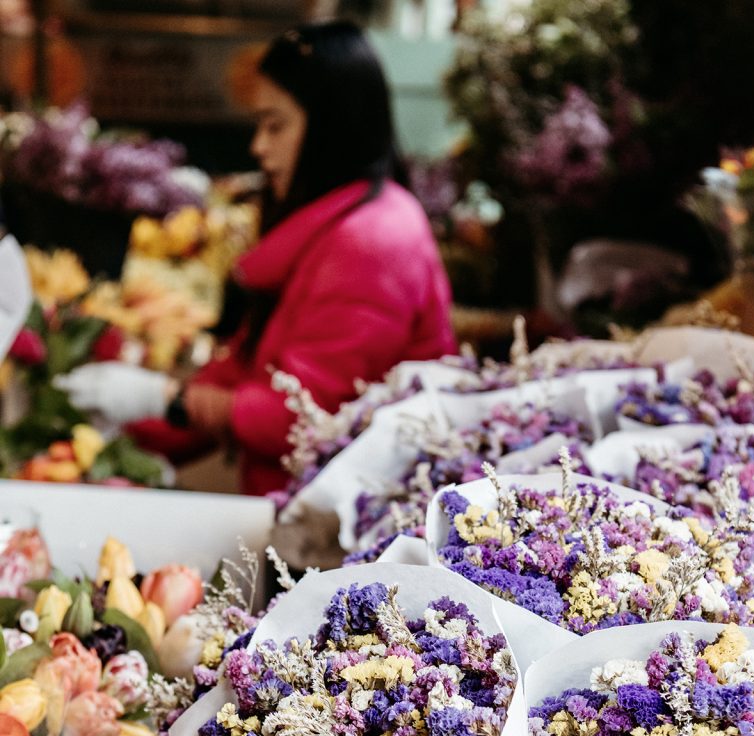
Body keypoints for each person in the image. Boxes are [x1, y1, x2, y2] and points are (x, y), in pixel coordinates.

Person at [54, 20, 456, 496]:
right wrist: (130, 430)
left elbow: (305, 416)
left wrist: (165, 399)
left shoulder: (375, 239)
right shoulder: (331, 229)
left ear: (331, 126)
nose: (258, 146)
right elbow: (247, 370)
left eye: (276, 125)